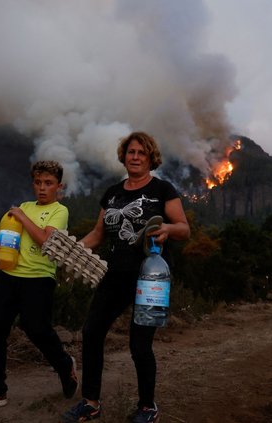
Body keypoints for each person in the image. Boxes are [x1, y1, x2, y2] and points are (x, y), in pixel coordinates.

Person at [61, 132, 190, 423]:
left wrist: (168, 230)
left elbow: (184, 228)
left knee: (139, 344)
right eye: (131, 152)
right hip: (115, 273)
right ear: (124, 156)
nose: (135, 157)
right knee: (92, 332)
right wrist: (68, 251)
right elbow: (97, 234)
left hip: (151, 277)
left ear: (151, 158)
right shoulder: (112, 193)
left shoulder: (163, 189)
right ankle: (91, 402)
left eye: (141, 153)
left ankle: (147, 407)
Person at [0, 160, 78, 411]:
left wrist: (21, 216)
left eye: (48, 183)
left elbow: (44, 240)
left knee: (37, 329)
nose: (42, 188)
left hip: (39, 278)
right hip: (10, 275)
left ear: (58, 186)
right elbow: (4, 232)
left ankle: (65, 365)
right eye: (38, 182)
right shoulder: (26, 206)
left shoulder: (60, 211)